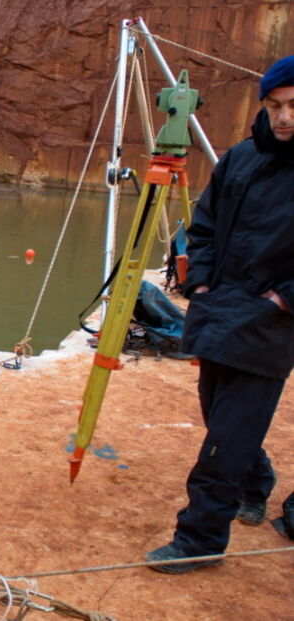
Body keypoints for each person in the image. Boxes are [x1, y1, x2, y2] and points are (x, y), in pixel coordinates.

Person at [145, 55, 294, 574]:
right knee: (218, 413)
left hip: (272, 324)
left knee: (226, 437)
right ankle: (256, 484)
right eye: (275, 105)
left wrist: (282, 299)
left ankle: (200, 539)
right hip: (218, 309)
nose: (284, 117)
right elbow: (202, 225)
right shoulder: (242, 157)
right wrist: (200, 280)